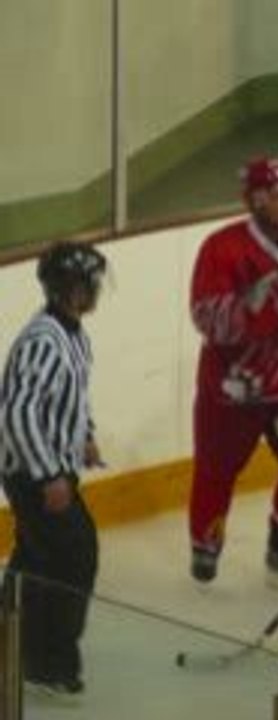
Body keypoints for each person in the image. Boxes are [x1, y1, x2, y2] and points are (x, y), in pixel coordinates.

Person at [188, 156, 278, 584]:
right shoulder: (221, 246)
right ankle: (205, 547)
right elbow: (205, 316)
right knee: (215, 469)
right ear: (256, 201)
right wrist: (253, 303)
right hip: (232, 387)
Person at [0, 242, 108, 699]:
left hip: (47, 469)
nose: (95, 290)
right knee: (75, 556)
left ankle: (13, 645)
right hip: (33, 473)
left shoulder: (73, 334)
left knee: (34, 558)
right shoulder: (44, 340)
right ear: (67, 288)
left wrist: (85, 434)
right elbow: (17, 414)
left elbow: (71, 397)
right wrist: (49, 476)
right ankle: (48, 662)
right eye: (88, 283)